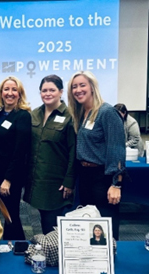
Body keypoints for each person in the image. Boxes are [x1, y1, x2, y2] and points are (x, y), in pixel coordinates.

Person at [67, 71, 126, 240]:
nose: (78, 90)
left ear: (92, 87)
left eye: (82, 85)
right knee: (88, 222)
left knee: (106, 223)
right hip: (85, 176)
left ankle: (111, 260)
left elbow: (117, 149)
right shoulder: (81, 113)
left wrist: (116, 184)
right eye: (74, 87)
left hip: (103, 177)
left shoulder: (107, 112)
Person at [24, 75, 76, 235]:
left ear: (60, 92)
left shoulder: (70, 116)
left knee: (51, 224)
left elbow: (74, 151)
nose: (48, 93)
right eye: (44, 90)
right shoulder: (34, 114)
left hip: (56, 182)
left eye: (52, 90)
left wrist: (69, 181)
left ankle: (53, 255)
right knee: (42, 219)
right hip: (36, 180)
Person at [0, 76, 31, 240]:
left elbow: (20, 151)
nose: (10, 93)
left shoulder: (23, 116)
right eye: (6, 89)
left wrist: (8, 179)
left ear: (20, 94)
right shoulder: (0, 114)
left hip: (11, 176)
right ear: (1, 93)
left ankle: (19, 244)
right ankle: (11, 243)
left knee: (11, 212)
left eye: (14, 90)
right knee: (6, 212)